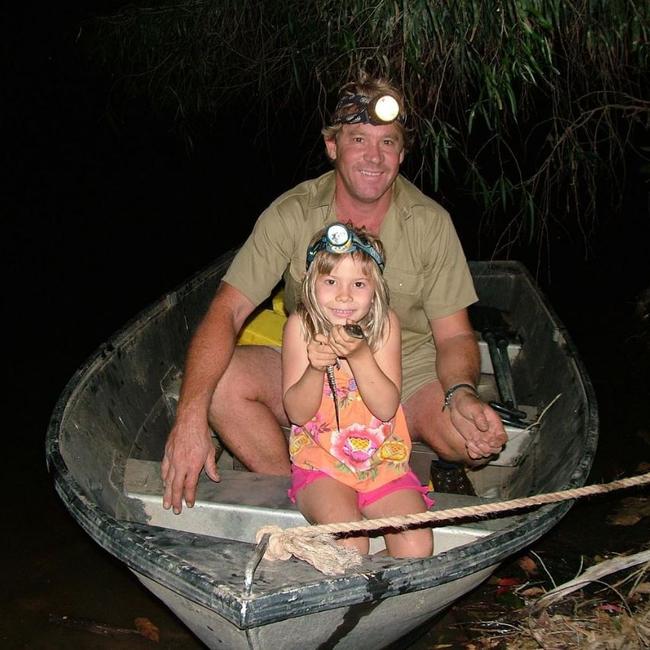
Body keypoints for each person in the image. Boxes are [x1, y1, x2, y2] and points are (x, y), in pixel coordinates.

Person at [161, 72, 507, 515]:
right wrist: (189, 416)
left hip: (404, 374)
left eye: (387, 142)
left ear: (401, 154)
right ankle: (299, 492)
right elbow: (226, 311)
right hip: (310, 367)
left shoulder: (430, 223)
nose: (373, 156)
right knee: (221, 385)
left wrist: (461, 392)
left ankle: (378, 473)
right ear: (332, 147)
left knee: (469, 439)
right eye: (358, 139)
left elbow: (456, 336)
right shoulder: (292, 212)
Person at [283, 222, 433, 557]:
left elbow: (385, 407)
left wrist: (361, 354)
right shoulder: (299, 328)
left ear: (375, 289)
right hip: (320, 463)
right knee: (350, 544)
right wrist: (314, 368)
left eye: (359, 284)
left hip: (383, 463)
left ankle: (377, 596)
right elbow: (295, 412)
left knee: (417, 545)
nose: (344, 295)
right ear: (311, 284)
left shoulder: (385, 325)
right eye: (331, 281)